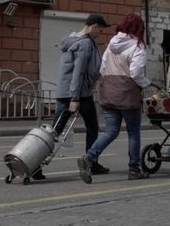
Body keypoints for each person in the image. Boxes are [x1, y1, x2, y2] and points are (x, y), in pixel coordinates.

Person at [35, 13, 109, 180]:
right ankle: (91, 162)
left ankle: (35, 165)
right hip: (79, 94)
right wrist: (75, 98)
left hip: (65, 92)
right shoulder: (85, 44)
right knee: (91, 127)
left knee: (55, 131)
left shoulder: (72, 39)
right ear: (94, 26)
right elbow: (79, 72)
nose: (100, 34)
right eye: (101, 30)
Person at [80, 13, 151, 182]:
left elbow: (102, 68)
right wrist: (147, 83)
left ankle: (89, 158)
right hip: (127, 94)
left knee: (111, 131)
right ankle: (134, 169)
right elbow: (135, 73)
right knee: (133, 132)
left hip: (108, 91)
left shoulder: (112, 43)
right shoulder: (138, 46)